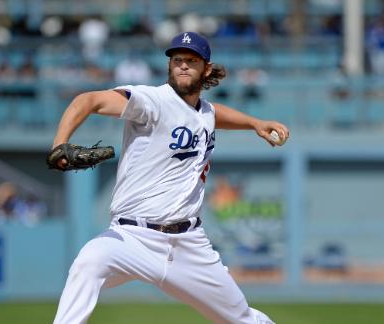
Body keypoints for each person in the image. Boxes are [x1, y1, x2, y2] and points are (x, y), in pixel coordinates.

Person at [51, 31, 289, 324]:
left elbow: (213, 113)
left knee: (241, 318)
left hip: (189, 244)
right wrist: (59, 144)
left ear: (207, 69)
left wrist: (254, 123)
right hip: (131, 237)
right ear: (169, 66)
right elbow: (87, 101)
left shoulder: (205, 112)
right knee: (89, 262)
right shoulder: (152, 101)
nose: (183, 65)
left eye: (191, 60)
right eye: (177, 60)